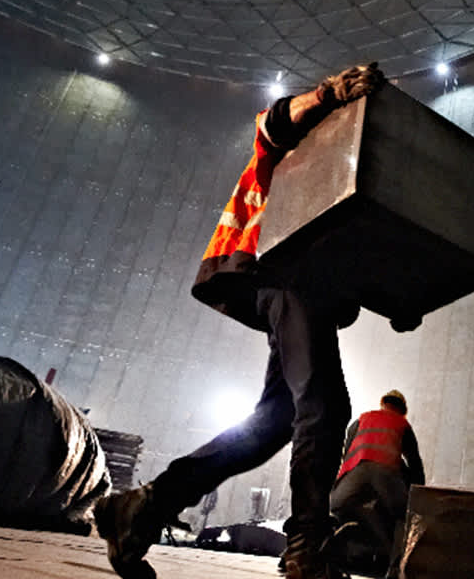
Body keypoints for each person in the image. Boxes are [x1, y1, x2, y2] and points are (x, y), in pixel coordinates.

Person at [93, 63, 388, 579]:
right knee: (323, 403)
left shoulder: (348, 178)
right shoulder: (302, 149)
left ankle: (143, 506)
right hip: (284, 271)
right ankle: (306, 546)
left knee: (270, 425)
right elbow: (271, 122)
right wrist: (330, 93)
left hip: (304, 286)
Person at [326, 389, 425, 575]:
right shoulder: (402, 423)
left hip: (353, 475)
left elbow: (346, 452)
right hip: (386, 475)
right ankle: (395, 568)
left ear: (382, 404)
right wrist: (417, 495)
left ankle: (323, 553)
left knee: (337, 508)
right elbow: (415, 464)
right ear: (402, 409)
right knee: (404, 515)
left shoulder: (362, 419)